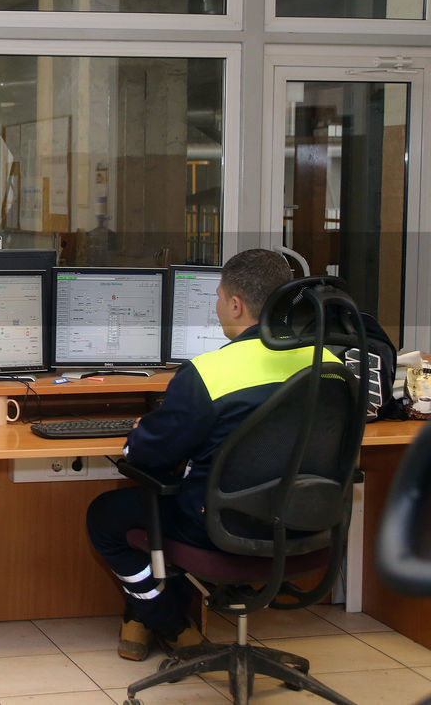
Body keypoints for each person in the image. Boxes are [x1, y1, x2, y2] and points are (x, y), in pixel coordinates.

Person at [86, 248, 335, 662]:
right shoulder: (327, 364)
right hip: (306, 526)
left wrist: (140, 435)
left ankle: (170, 621)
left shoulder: (209, 374)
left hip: (220, 530)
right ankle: (149, 619)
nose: (216, 305)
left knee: (106, 516)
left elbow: (146, 457)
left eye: (218, 296)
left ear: (235, 305)